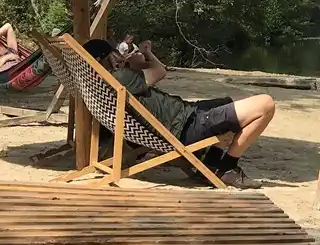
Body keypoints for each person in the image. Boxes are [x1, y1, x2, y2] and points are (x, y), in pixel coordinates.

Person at [82, 38, 276, 189]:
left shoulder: (100, 84)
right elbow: (159, 71)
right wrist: (146, 55)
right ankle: (227, 167)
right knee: (265, 104)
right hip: (185, 125)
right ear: (103, 59)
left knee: (226, 103)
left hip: (184, 118)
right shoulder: (120, 78)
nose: (117, 57)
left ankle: (211, 162)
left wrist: (133, 64)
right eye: (113, 54)